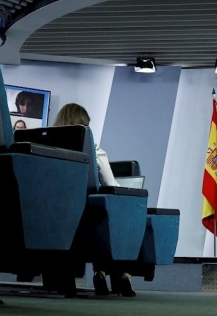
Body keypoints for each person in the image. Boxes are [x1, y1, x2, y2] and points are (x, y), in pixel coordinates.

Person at [51, 103, 134, 297]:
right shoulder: (95, 151)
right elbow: (112, 185)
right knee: (120, 215)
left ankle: (96, 274)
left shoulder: (46, 147)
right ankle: (114, 274)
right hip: (86, 217)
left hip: (52, 217)